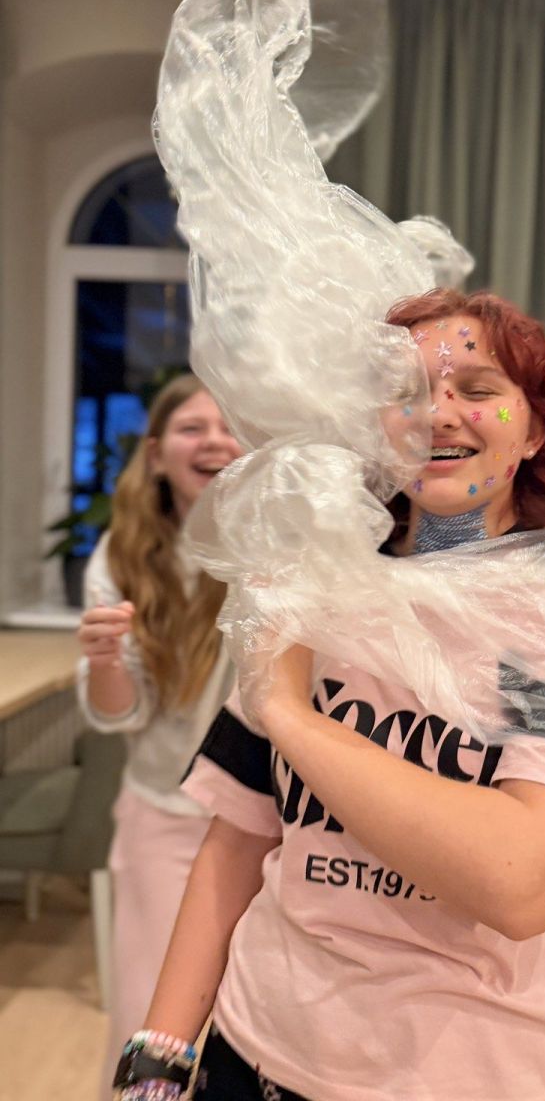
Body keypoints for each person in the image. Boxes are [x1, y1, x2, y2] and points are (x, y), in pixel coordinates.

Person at [115, 292, 545, 1101]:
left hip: (476, 1079)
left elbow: (521, 882)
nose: (438, 414)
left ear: (535, 431)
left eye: (477, 390)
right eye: (406, 393)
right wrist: (154, 1068)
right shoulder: (316, 593)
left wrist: (291, 717)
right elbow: (236, 847)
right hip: (254, 1057)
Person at [77, 373, 242, 1098]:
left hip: (270, 828)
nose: (213, 441)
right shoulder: (122, 556)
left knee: (251, 1025)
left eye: (228, 427)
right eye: (191, 427)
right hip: (165, 819)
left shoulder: (277, 543)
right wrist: (105, 661)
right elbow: (123, 714)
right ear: (155, 453)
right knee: (152, 1026)